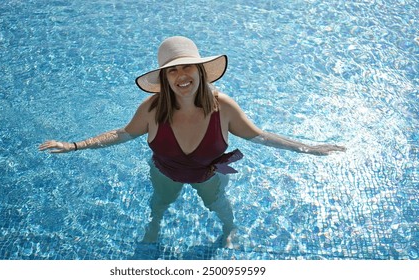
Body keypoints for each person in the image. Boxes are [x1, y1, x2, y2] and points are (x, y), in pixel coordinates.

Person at [39, 36, 346, 248]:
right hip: (164, 171)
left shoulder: (223, 107)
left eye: (186, 66)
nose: (180, 75)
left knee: (218, 204)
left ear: (200, 71)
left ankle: (230, 229)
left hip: (209, 174)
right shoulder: (151, 109)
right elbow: (121, 134)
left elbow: (260, 136)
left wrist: (310, 148)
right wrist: (75, 146)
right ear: (164, 78)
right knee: (159, 203)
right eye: (172, 70)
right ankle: (155, 225)